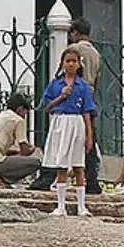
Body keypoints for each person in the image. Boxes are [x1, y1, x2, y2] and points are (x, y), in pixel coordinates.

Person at [41, 44, 97, 217]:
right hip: (60, 121)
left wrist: (89, 136)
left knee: (78, 165)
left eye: (74, 61)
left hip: (76, 122)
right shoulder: (55, 84)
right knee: (62, 165)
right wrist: (61, 96)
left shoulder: (83, 87)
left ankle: (81, 206)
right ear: (63, 64)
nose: (71, 64)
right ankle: (60, 205)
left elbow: (87, 112)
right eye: (68, 61)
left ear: (79, 64)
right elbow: (46, 107)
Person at [58, 18, 109, 195]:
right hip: (90, 95)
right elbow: (98, 79)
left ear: (75, 33)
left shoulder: (74, 51)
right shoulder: (96, 53)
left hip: (75, 95)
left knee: (68, 137)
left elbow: (63, 74)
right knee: (89, 139)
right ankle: (92, 178)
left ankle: (58, 175)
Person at [0, 94, 42, 187]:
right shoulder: (18, 120)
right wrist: (33, 149)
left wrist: (13, 153)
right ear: (20, 109)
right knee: (35, 163)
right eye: (25, 112)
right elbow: (25, 151)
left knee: (13, 158)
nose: (25, 115)